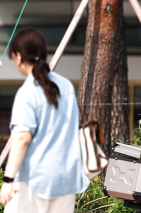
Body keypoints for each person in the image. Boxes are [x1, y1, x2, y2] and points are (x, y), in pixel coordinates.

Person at [0, 28, 89, 213]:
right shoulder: (65, 86)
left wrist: (8, 180)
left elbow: (22, 138)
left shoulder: (27, 92)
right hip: (66, 180)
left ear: (18, 57)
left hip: (34, 180)